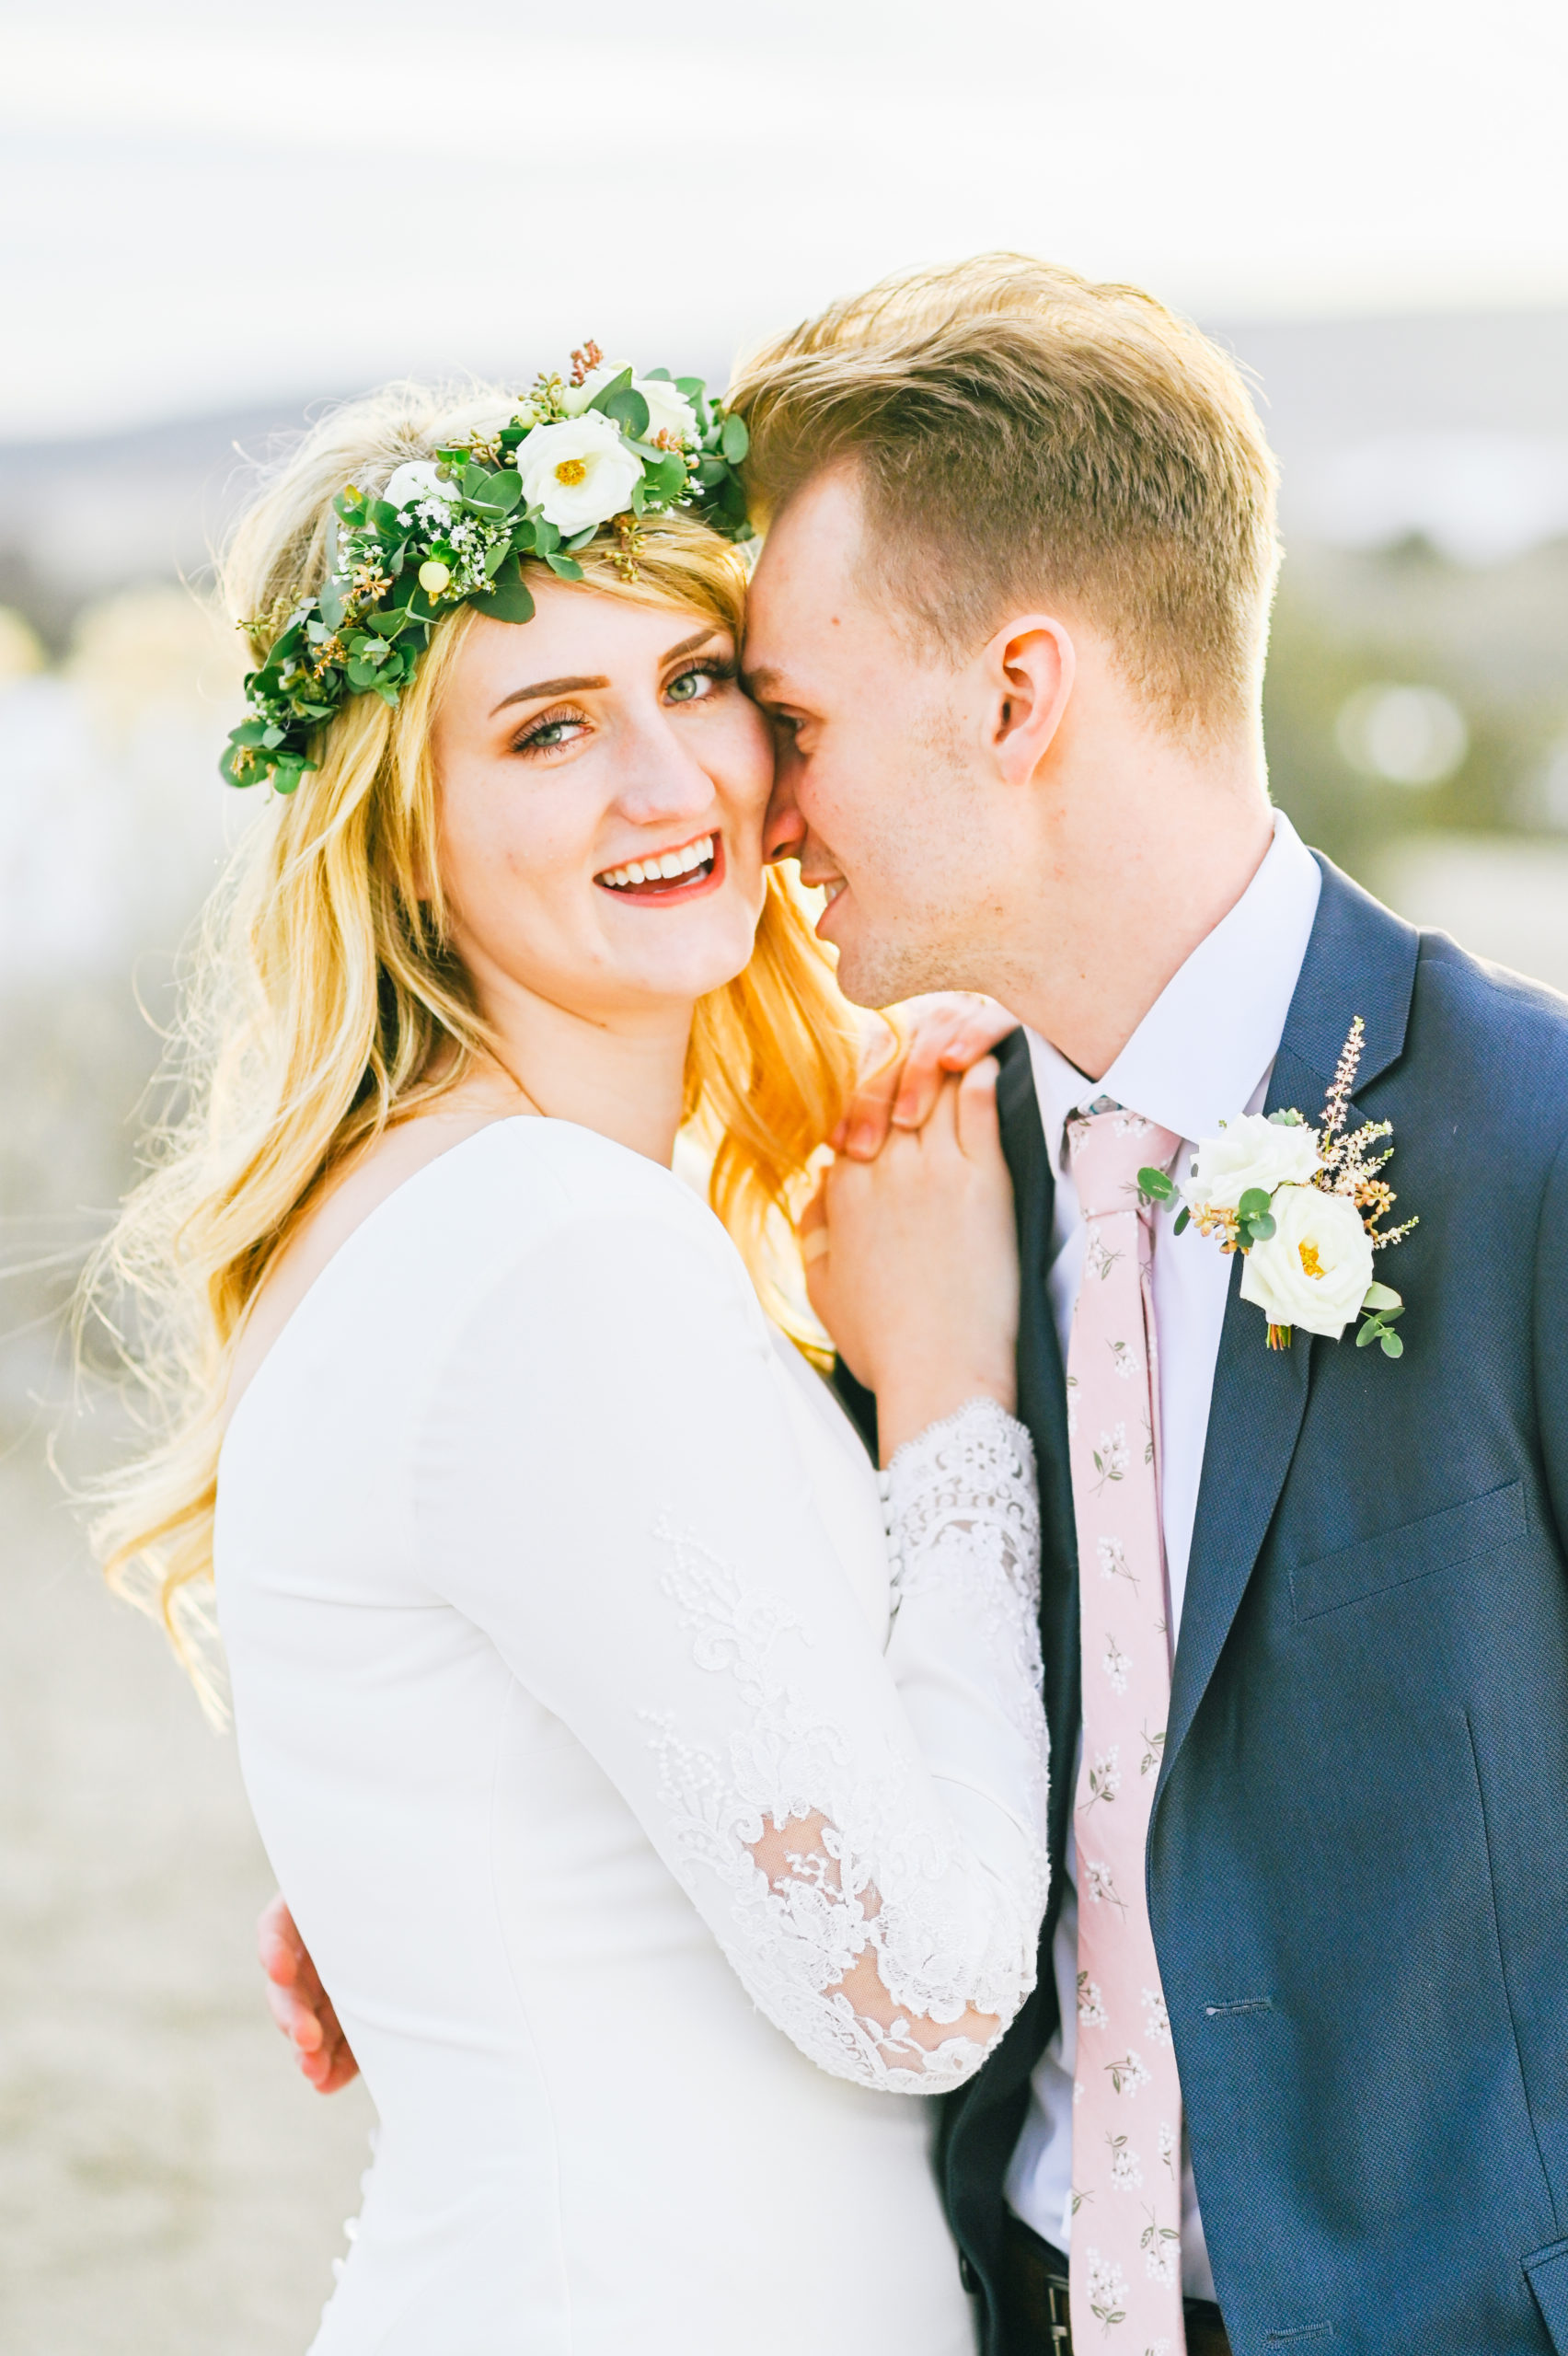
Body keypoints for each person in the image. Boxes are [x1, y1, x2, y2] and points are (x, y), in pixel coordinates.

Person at [85, 364, 1053, 2354]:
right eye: (545, 728)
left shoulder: (430, 1212)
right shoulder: (547, 1252)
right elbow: (922, 1981)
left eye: (695, 680)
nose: (668, 782)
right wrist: (954, 1396)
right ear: (398, 824)